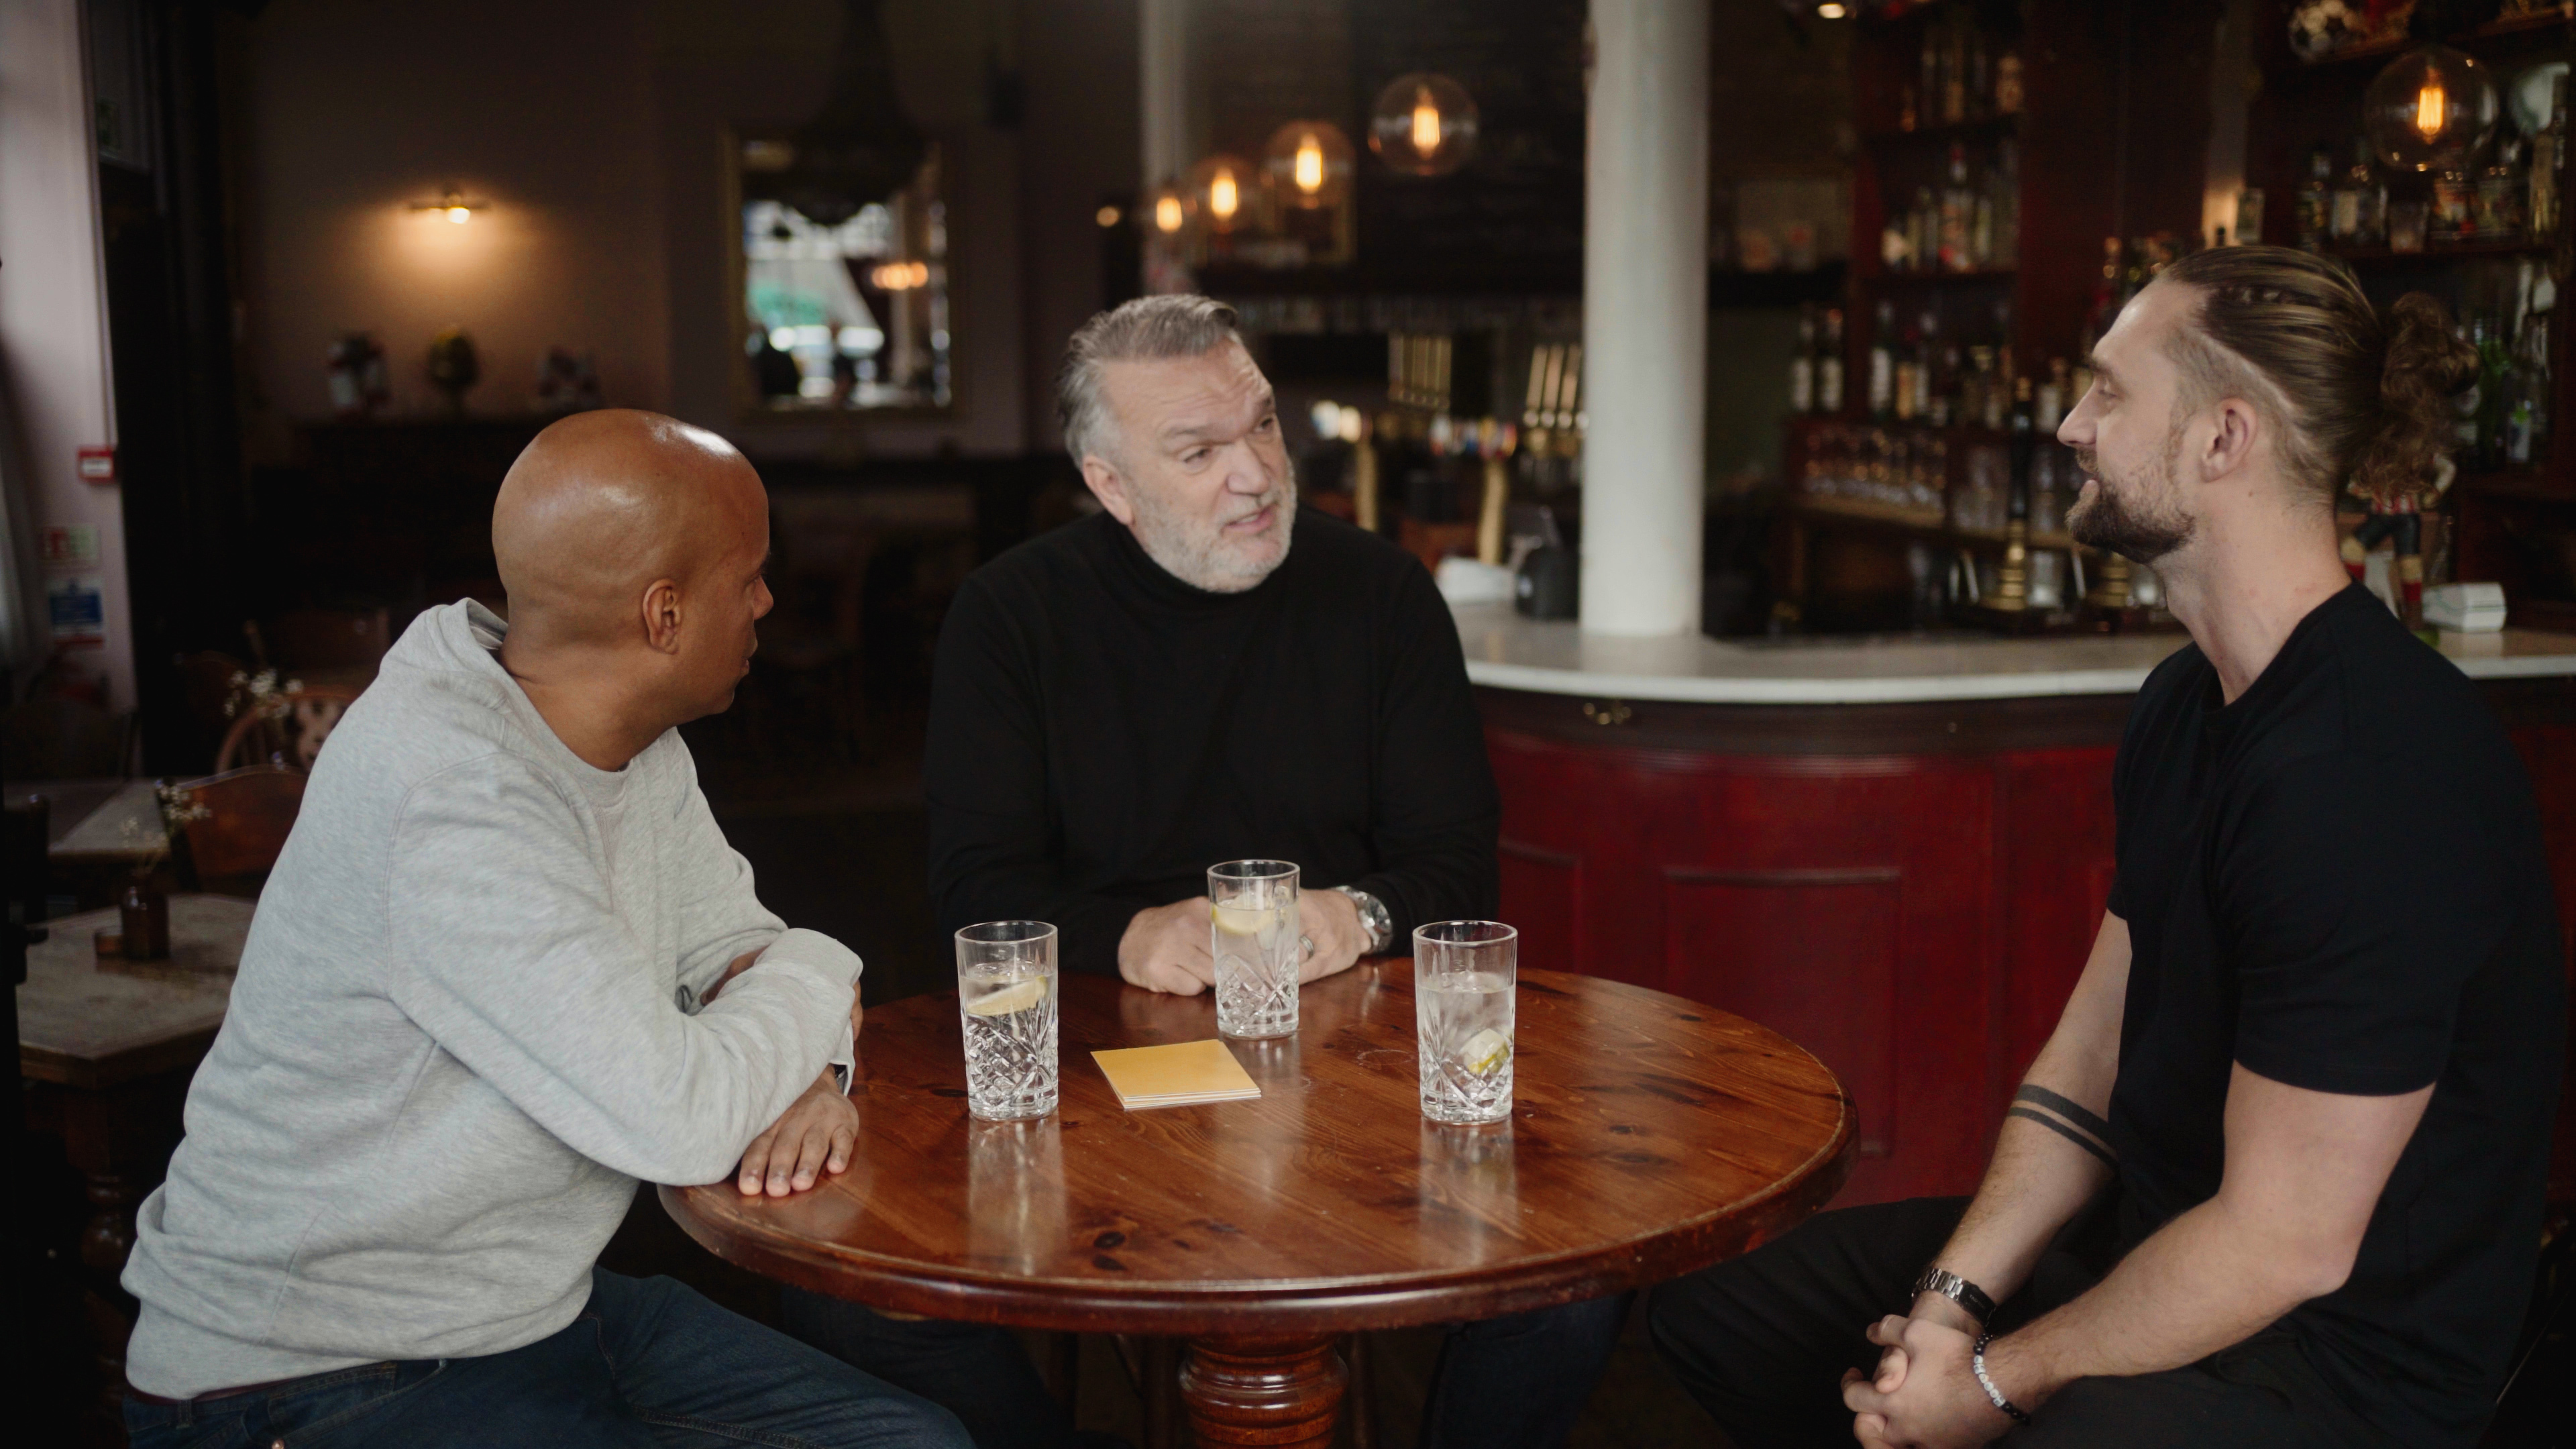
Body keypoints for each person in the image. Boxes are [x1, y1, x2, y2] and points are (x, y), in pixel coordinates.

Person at [1650, 246, 2565, 1448]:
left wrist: (1991, 1384)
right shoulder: (2187, 705)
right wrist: (1952, 1304)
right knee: (1725, 1313)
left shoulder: (2370, 772)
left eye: (2111, 391)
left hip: (2341, 1364)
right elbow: (2085, 1065)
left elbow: (2286, 1241)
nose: (2074, 424)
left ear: (2223, 438)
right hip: (2161, 1249)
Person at [775, 295, 1625, 1449]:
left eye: (1264, 428)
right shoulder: (1012, 616)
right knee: (848, 1292)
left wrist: (1359, 912)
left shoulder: (1380, 595)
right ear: (1112, 486)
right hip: (1092, 1090)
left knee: (1577, 1280)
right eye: (1200, 450)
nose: (1256, 474)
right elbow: (974, 887)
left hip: (1354, 1079)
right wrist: (1122, 936)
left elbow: (1458, 865)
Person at [118, 410, 969, 1449]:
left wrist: (812, 1067)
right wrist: (830, 969)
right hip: (312, 1372)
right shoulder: (452, 793)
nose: (766, 600)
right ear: (664, 616)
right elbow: (687, 1117)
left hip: (531, 1310)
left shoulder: (625, 735)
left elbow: (734, 955)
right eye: (748, 574)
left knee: (916, 1442)